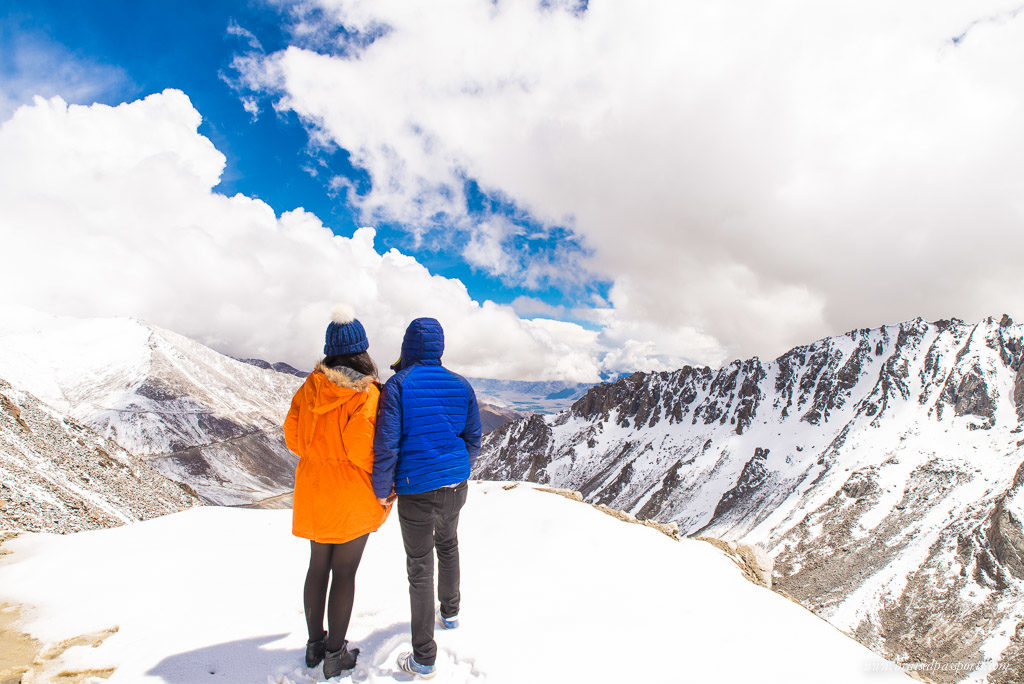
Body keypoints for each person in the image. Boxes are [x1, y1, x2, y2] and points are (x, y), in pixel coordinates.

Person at [284, 305, 390, 679]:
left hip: (313, 490)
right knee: (345, 572)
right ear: (363, 351)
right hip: (350, 496)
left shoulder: (310, 386)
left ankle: (314, 645)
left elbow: (293, 437)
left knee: (317, 567)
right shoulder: (367, 394)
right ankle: (335, 654)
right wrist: (386, 488)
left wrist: (319, 454)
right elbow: (363, 448)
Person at [373, 317, 482, 680]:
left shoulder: (398, 385)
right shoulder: (461, 384)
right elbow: (473, 438)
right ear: (439, 347)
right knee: (448, 544)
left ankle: (424, 657)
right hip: (455, 485)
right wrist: (456, 468)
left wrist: (381, 490)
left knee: (420, 566)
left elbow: (387, 445)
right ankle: (450, 613)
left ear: (408, 345)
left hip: (415, 488)